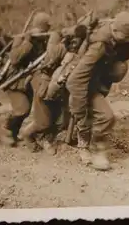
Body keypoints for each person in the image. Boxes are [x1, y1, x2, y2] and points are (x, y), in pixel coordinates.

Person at [66, 11, 129, 171]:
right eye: (126, 36)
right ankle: (91, 148)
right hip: (82, 85)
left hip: (94, 81)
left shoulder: (114, 37)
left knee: (98, 115)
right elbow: (75, 80)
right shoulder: (99, 45)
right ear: (117, 31)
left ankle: (86, 138)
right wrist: (80, 109)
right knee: (105, 117)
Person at [20, 24, 87, 154]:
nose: (76, 43)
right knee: (43, 121)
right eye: (74, 39)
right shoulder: (60, 49)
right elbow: (47, 66)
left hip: (59, 87)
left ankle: (47, 139)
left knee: (61, 120)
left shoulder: (76, 52)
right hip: (45, 84)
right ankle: (27, 135)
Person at [0, 12, 52, 147]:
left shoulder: (43, 39)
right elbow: (15, 59)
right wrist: (28, 42)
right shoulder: (23, 38)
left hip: (28, 78)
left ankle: (14, 133)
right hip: (15, 80)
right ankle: (6, 131)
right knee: (22, 109)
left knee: (26, 111)